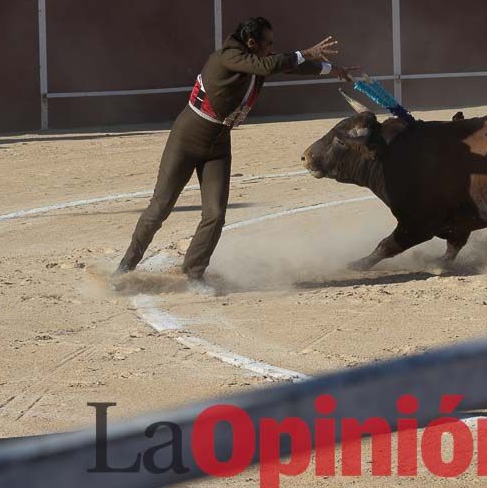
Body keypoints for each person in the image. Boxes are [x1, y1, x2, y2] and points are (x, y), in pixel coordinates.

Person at [113, 19, 355, 293]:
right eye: (268, 44)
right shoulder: (227, 57)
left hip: (218, 143)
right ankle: (125, 267)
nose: (272, 49)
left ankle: (193, 273)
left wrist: (333, 69)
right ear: (251, 43)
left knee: (215, 214)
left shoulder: (255, 62)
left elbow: (287, 66)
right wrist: (304, 52)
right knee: (160, 208)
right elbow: (272, 64)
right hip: (187, 137)